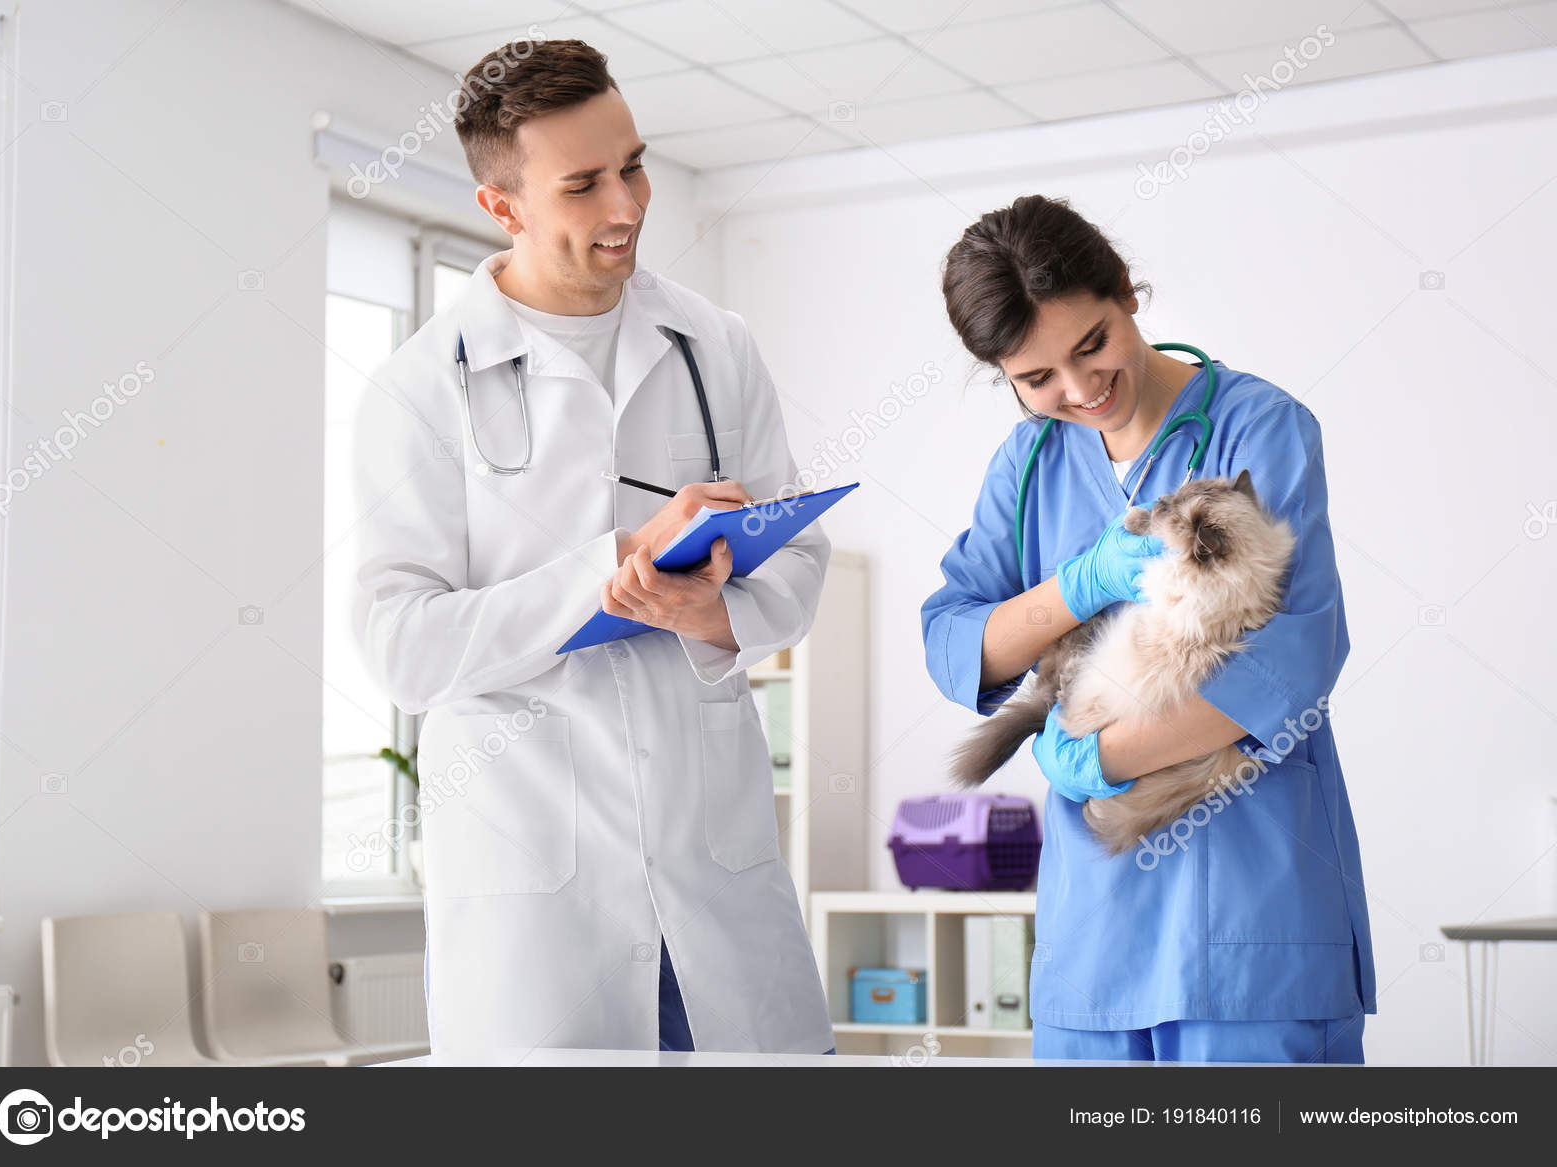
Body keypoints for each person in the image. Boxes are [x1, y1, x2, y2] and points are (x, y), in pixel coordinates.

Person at [351, 39, 833, 1061]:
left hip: (715, 878)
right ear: (503, 206)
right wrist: (603, 570)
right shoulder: (420, 387)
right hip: (542, 907)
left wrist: (717, 613)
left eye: (633, 165)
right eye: (582, 185)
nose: (626, 207)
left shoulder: (716, 346)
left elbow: (798, 562)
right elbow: (402, 646)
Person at [921, 195, 1376, 1063]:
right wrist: (1078, 582)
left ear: (1127, 293)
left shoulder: (1259, 426)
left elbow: (1290, 667)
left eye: (1092, 344)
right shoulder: (1028, 465)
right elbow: (955, 639)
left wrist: (1094, 758)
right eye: (1037, 378)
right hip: (1092, 936)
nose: (1081, 389)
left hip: (1250, 922)